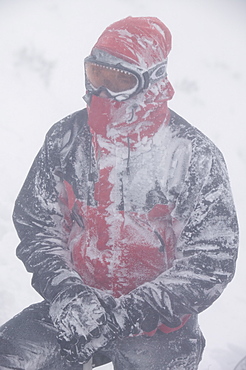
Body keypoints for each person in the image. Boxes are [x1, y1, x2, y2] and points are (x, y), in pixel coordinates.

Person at [0, 16, 239, 370]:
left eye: (121, 80)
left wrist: (128, 313)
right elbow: (38, 224)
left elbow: (210, 259)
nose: (104, 92)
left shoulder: (191, 156)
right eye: (98, 75)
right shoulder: (66, 140)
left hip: (158, 324)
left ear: (152, 83)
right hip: (76, 307)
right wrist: (67, 292)